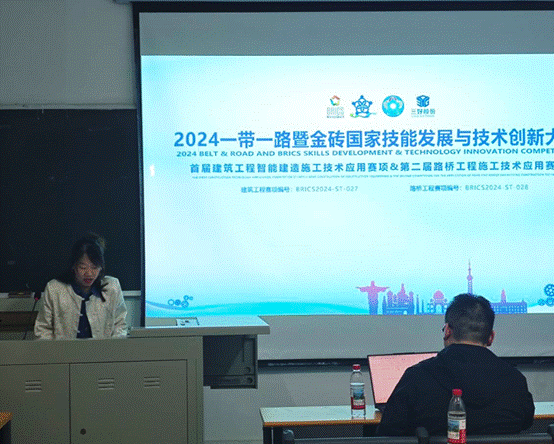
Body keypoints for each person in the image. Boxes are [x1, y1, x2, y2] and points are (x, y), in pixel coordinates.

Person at [378, 293, 534, 436]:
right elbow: (526, 423)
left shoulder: (417, 377)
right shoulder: (516, 381)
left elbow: (387, 434)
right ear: (491, 337)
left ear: (447, 331)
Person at [34, 233, 127, 339]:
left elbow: (120, 326)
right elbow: (43, 330)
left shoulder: (112, 287)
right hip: (63, 349)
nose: (89, 273)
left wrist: (113, 347)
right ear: (73, 266)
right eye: (83, 267)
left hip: (103, 349)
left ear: (101, 267)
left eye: (94, 267)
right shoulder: (54, 289)